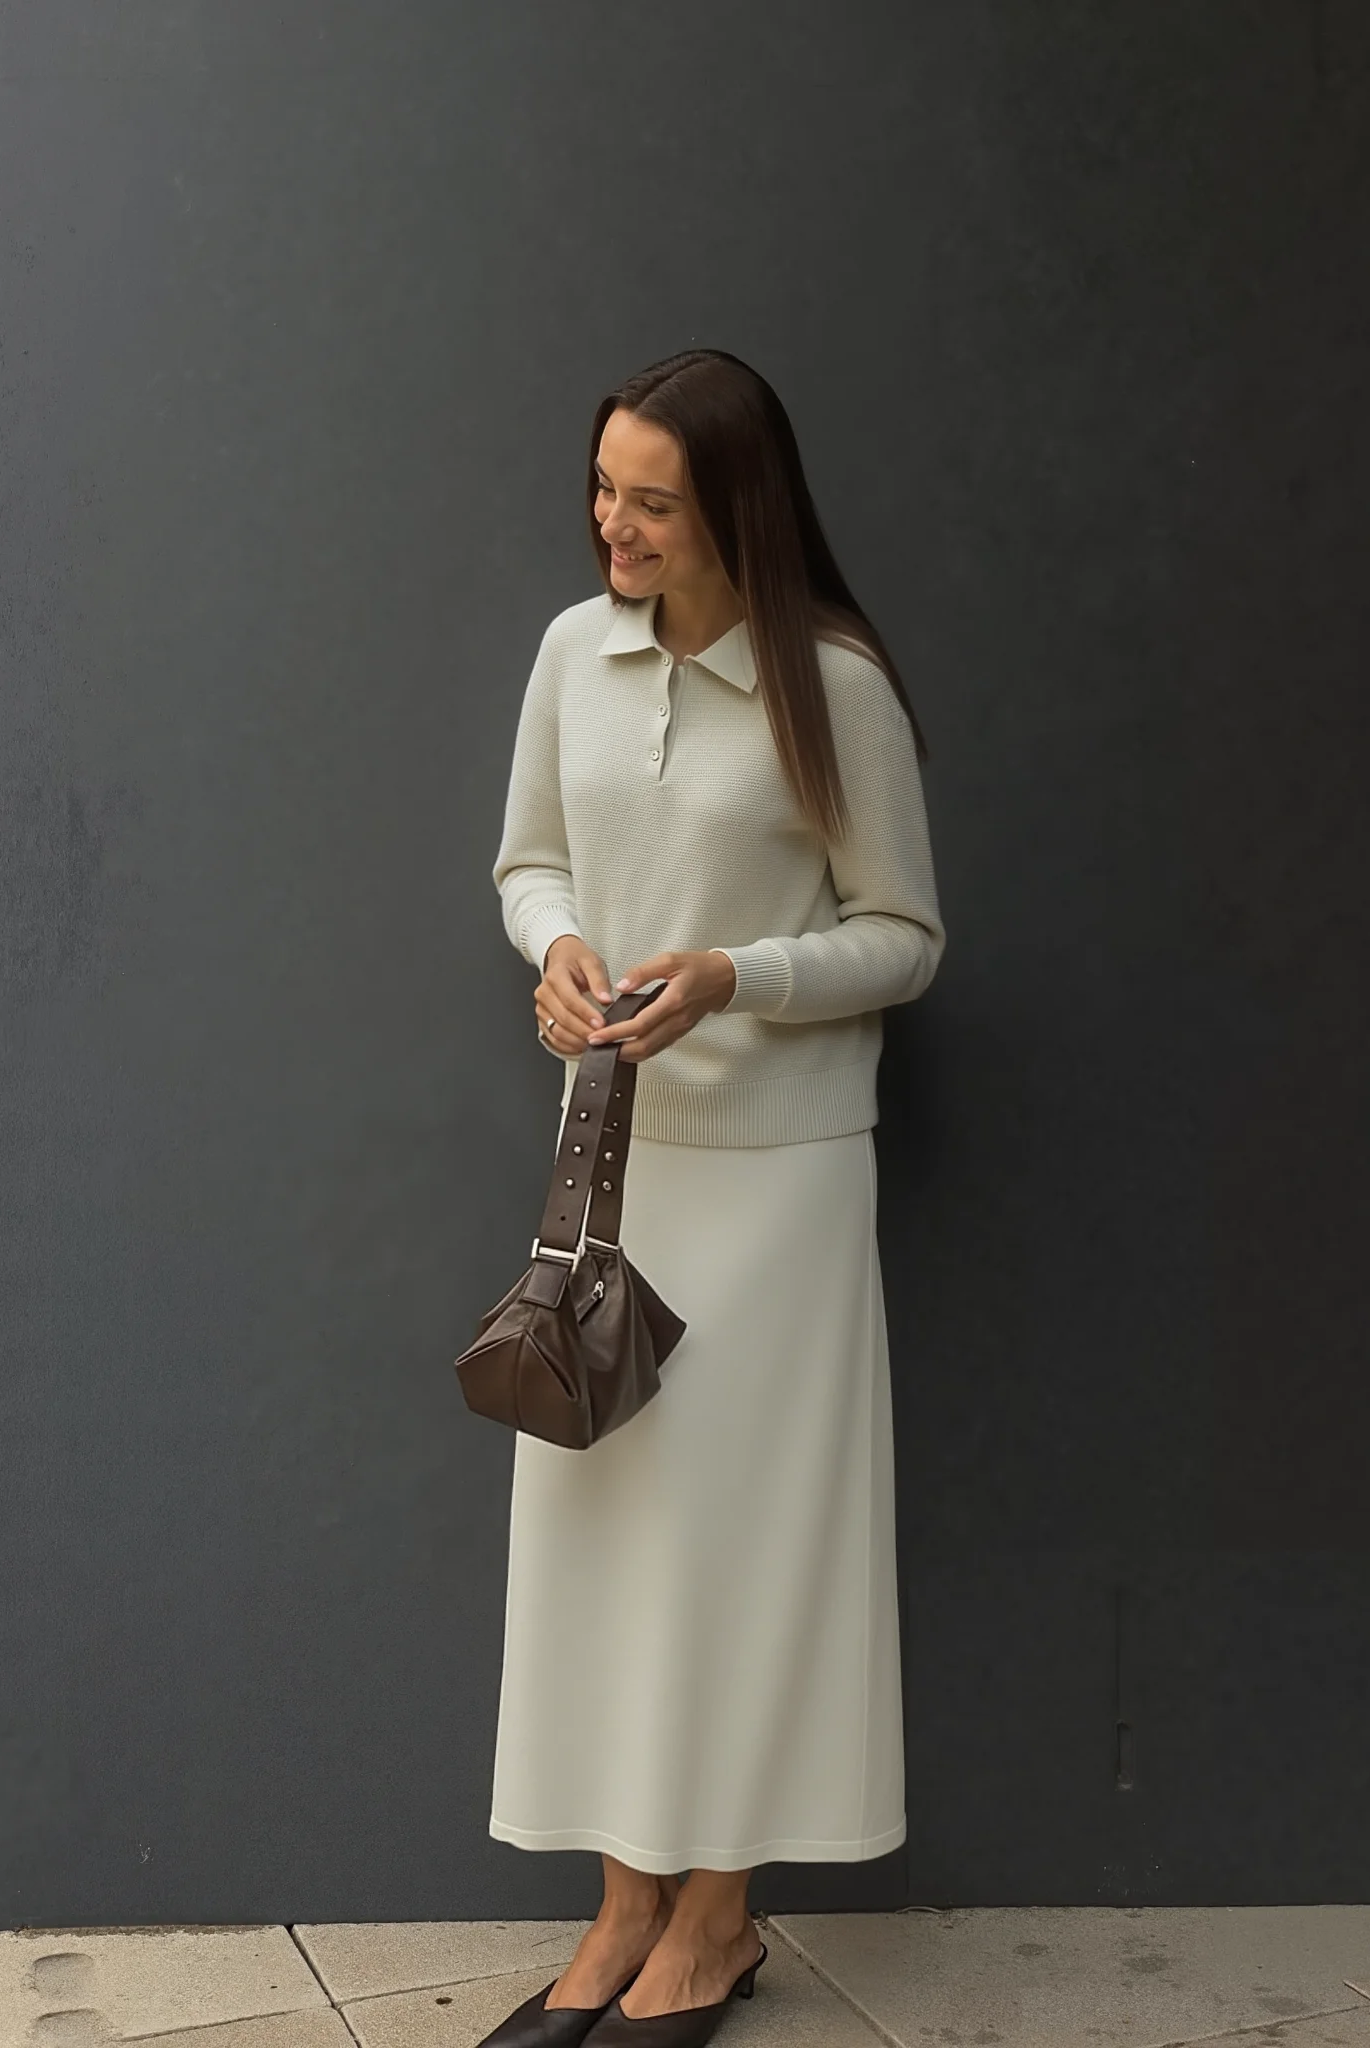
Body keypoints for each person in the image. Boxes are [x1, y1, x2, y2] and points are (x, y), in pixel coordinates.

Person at [477, 348, 946, 2048]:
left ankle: (719, 1918)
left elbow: (905, 936)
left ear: (740, 507)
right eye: (604, 489)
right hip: (616, 1172)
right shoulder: (571, 654)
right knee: (612, 1544)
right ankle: (621, 1909)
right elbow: (531, 859)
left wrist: (736, 975)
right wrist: (558, 950)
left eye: (654, 503)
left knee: (749, 1556)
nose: (615, 525)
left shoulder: (835, 688)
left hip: (783, 1192)